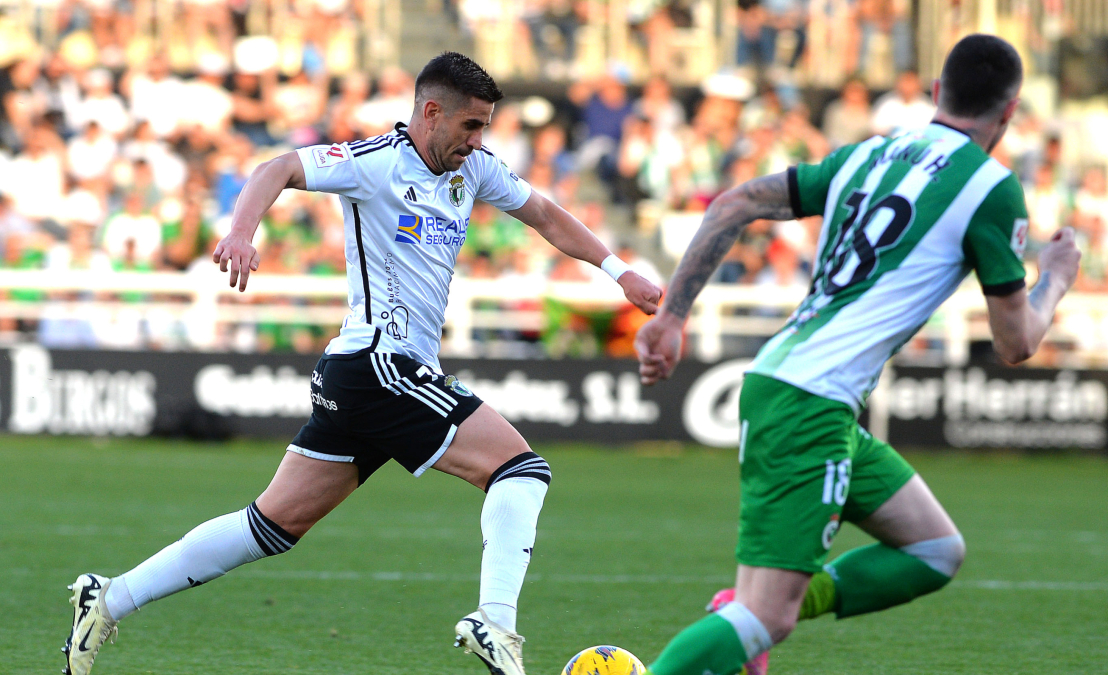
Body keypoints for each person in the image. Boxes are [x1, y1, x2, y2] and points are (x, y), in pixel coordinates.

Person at [62, 52, 662, 675]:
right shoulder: (373, 163)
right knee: (521, 470)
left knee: (272, 525)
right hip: (381, 366)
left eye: (485, 127)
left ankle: (108, 598)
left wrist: (619, 272)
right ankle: (496, 624)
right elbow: (278, 166)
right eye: (470, 126)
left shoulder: (474, 170)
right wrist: (242, 231)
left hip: (362, 377)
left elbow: (543, 213)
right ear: (431, 113)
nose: (479, 140)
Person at [632, 34, 1080, 675]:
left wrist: (674, 315)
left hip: (805, 392)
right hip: (808, 402)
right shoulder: (990, 187)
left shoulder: (868, 154)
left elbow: (733, 204)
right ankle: (743, 618)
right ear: (1008, 115)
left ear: (935, 94)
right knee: (766, 619)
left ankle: (743, 609)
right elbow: (1017, 343)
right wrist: (1056, 275)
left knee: (933, 550)